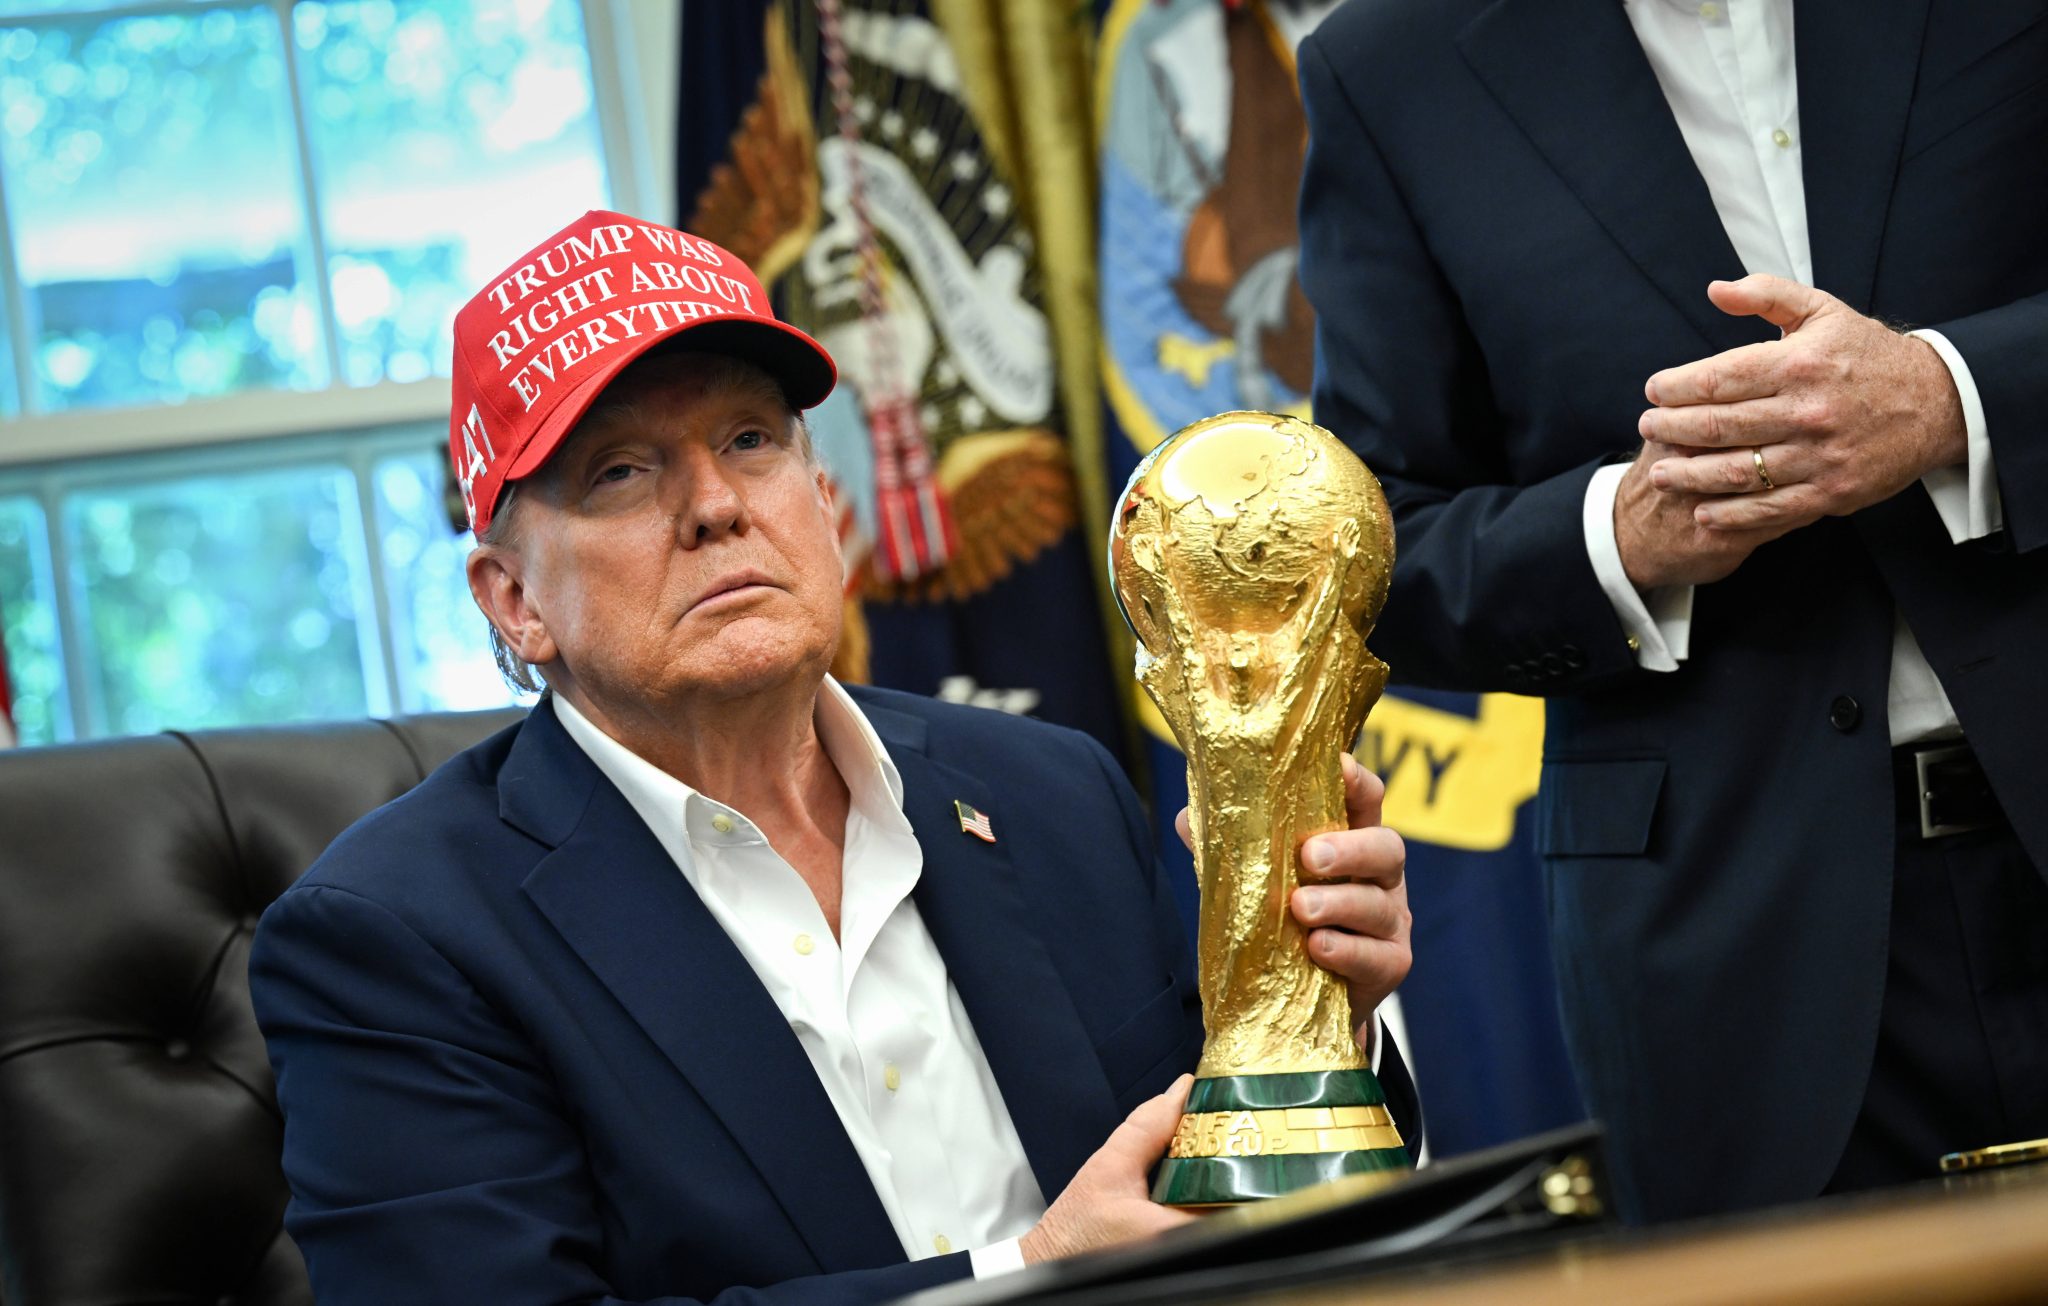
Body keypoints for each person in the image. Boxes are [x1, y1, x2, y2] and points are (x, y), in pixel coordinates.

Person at [249, 210, 1420, 1305]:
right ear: (513, 601)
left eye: (749, 439)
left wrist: (1312, 1013)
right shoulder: (393, 937)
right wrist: (1031, 1275)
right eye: (620, 469)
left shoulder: (1051, 790)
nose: (713, 504)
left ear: (821, 499)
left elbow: (1217, 1210)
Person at [1296, 0, 2048, 1224]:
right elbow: (1373, 541)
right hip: (1730, 949)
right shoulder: (1384, 64)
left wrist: (1945, 398)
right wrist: (1622, 534)